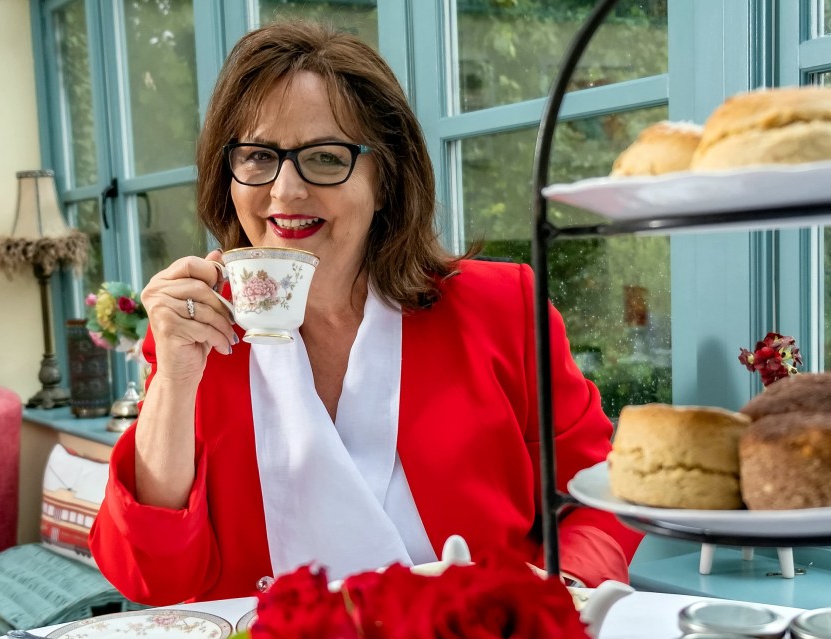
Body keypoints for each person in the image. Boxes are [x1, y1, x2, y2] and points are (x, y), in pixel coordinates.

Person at [90, 20, 642, 605]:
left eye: (325, 157)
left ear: (386, 177)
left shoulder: (503, 308)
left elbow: (599, 501)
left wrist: (564, 590)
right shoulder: (198, 338)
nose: (286, 191)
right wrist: (176, 381)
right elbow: (152, 578)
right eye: (256, 157)